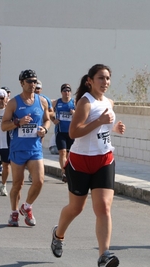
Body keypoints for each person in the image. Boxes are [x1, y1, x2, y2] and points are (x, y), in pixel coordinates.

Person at [50, 64, 125, 267]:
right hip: (81, 161)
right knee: (76, 208)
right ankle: (58, 235)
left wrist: (114, 127)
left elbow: (105, 127)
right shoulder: (85, 102)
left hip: (104, 159)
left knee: (104, 208)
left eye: (108, 78)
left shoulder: (109, 102)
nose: (105, 82)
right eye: (101, 78)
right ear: (89, 81)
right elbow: (74, 133)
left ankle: (104, 255)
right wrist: (100, 121)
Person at [1, 69, 50, 227]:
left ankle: (27, 206)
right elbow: (3, 126)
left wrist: (45, 129)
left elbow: (47, 120)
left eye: (35, 81)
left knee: (39, 181)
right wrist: (18, 122)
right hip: (18, 149)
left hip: (35, 149)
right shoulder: (14, 103)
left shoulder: (41, 101)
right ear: (22, 83)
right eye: (29, 81)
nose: (32, 84)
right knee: (18, 184)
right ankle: (14, 212)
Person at [27, 80, 54, 182]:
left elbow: (51, 113)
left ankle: (32, 173)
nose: (36, 90)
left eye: (38, 88)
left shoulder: (44, 100)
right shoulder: (25, 98)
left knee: (37, 149)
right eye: (35, 88)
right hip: (26, 130)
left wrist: (44, 114)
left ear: (41, 89)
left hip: (40, 129)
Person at [51, 83, 75, 182]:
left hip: (71, 132)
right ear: (61, 92)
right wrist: (53, 119)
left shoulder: (75, 103)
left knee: (69, 154)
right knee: (62, 152)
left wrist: (75, 114)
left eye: (68, 91)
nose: (67, 92)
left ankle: (67, 170)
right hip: (60, 132)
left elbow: (83, 115)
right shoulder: (56, 102)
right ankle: (64, 172)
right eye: (65, 91)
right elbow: (48, 111)